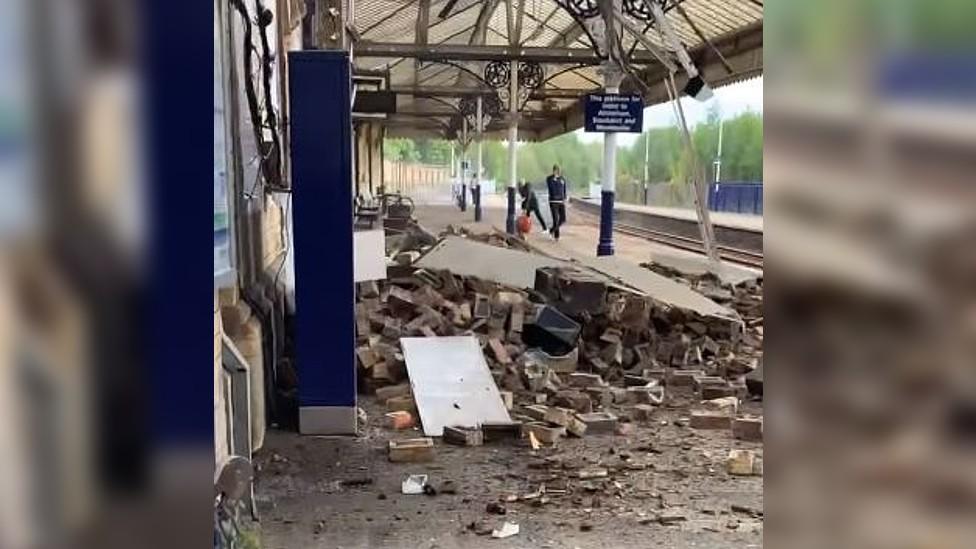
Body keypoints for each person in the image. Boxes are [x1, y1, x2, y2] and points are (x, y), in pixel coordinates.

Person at [546, 164, 567, 240]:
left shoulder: (562, 179)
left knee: (563, 218)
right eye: (555, 170)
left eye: (558, 170)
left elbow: (564, 189)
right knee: (555, 219)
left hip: (561, 201)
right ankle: (556, 236)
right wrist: (555, 178)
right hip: (553, 201)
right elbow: (551, 187)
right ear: (553, 170)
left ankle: (551, 230)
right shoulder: (549, 179)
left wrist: (564, 198)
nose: (557, 171)